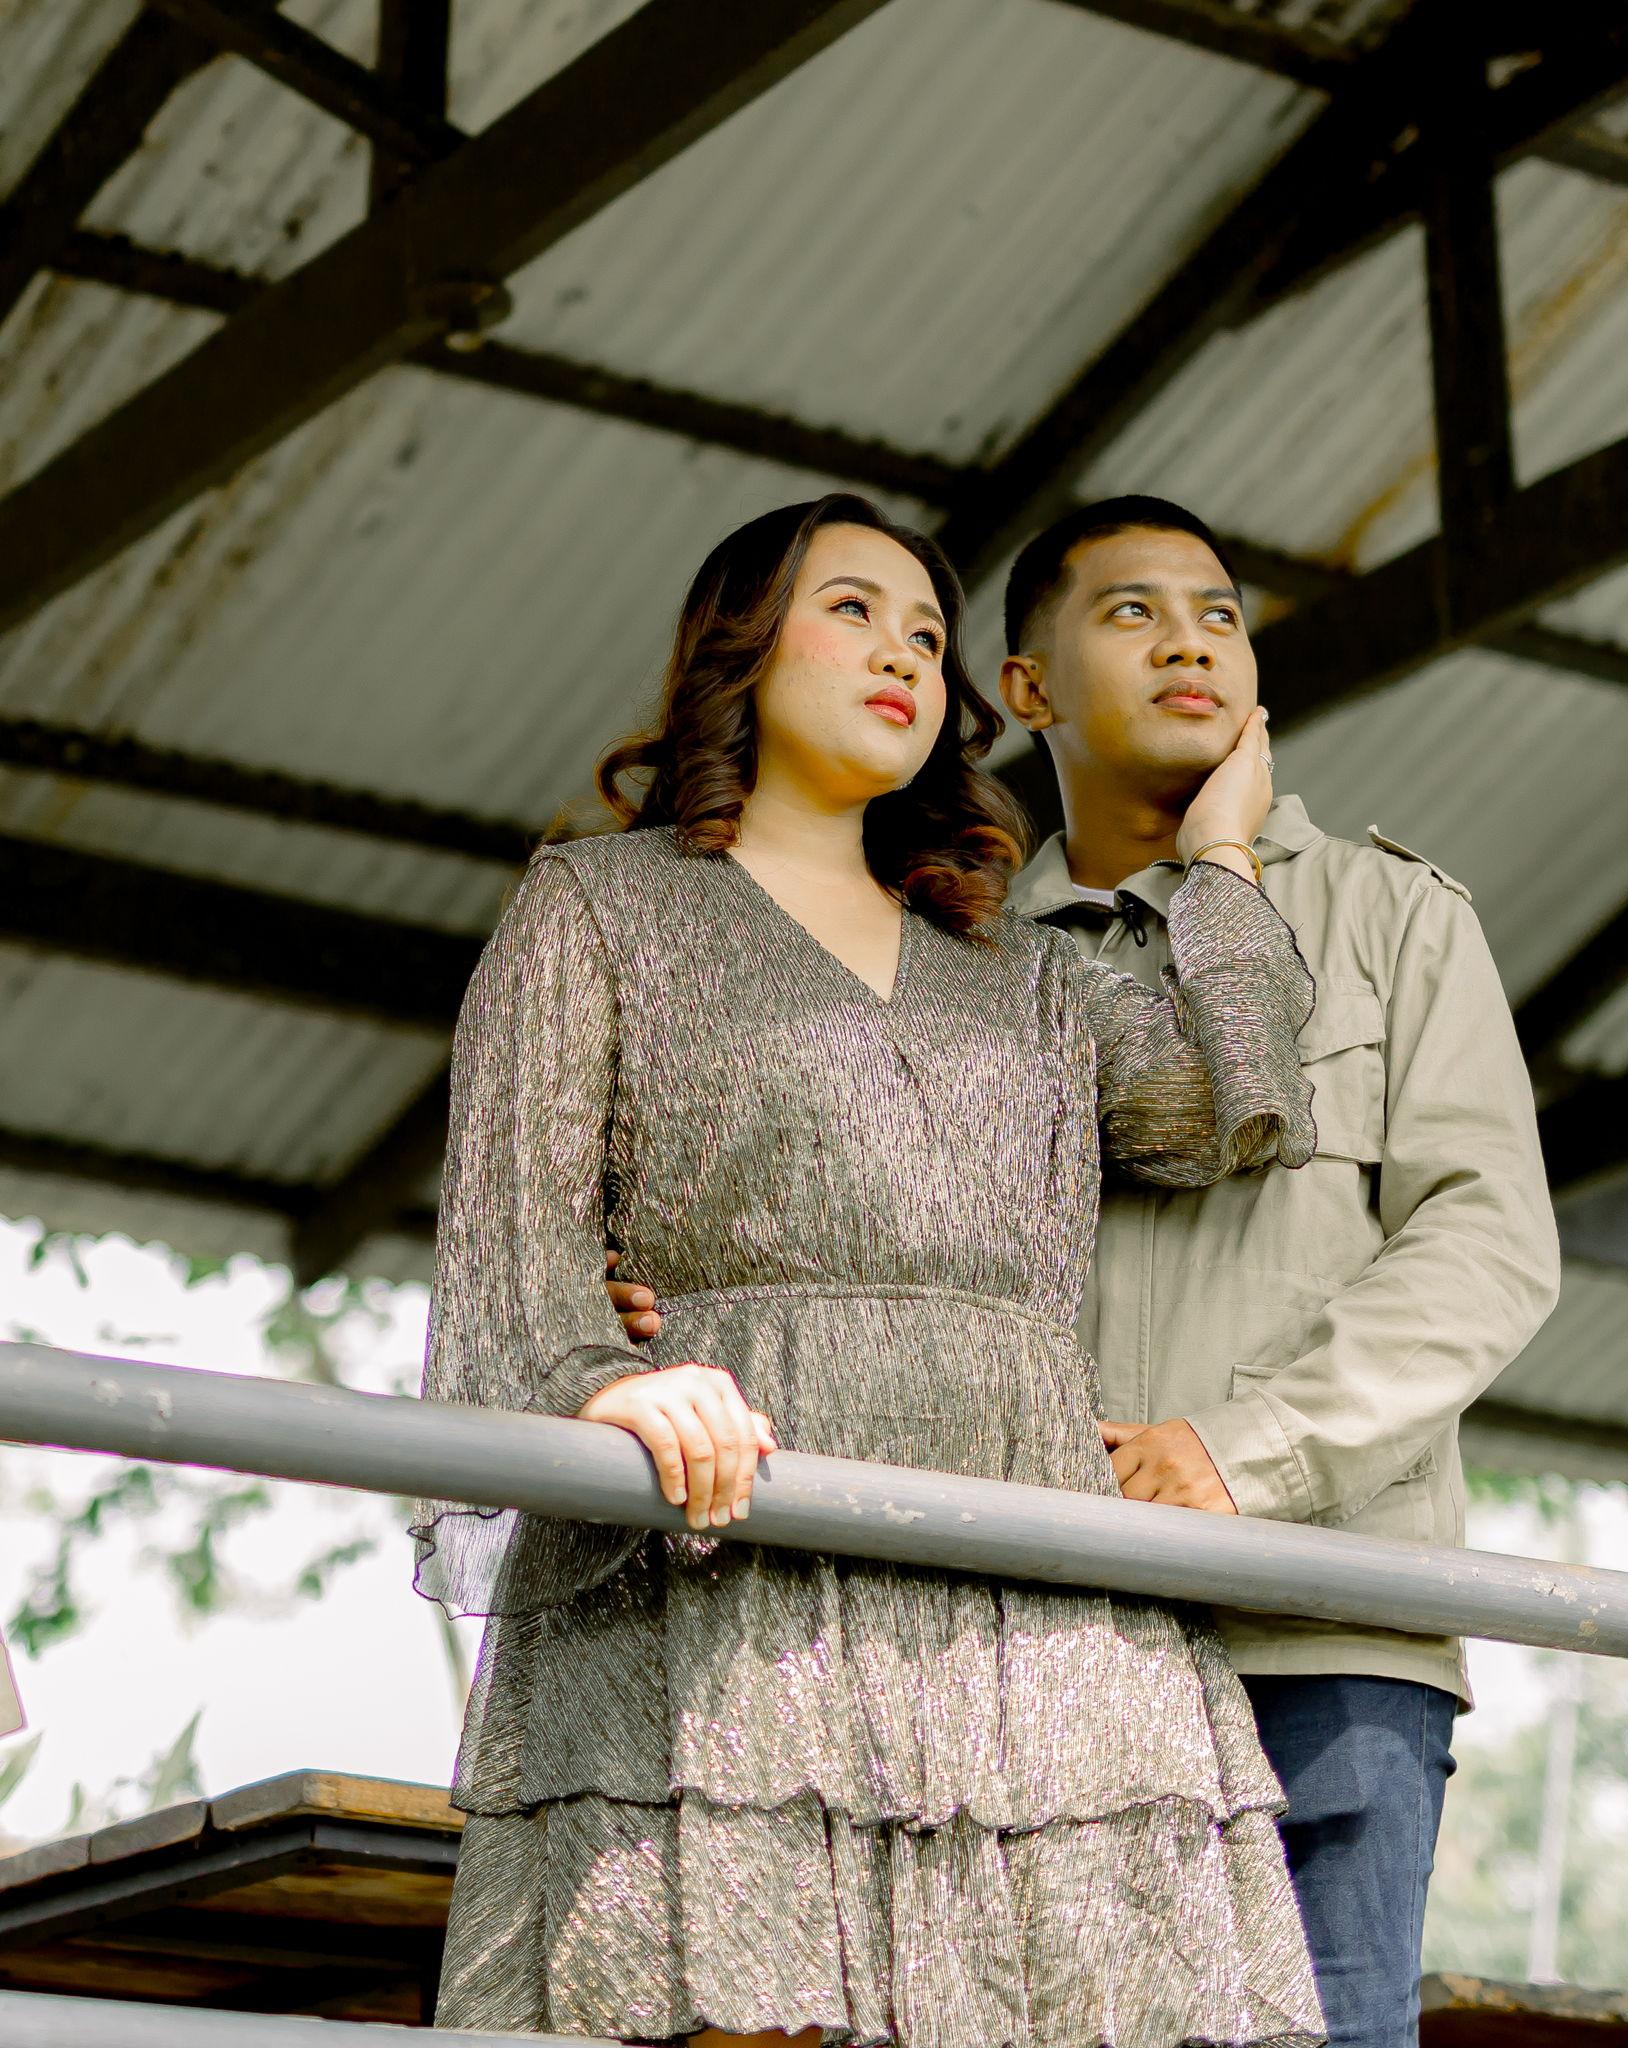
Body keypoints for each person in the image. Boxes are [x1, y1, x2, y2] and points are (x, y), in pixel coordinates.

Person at [612, 496, 1560, 2046]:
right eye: (1133, 613)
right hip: (1021, 1643)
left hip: (1315, 1633)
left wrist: (1241, 1456)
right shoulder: (952, 946)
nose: (1191, 641)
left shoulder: (1391, 917)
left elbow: (1488, 1248)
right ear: (1026, 688)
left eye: (1219, 616)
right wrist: (648, 1308)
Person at [415, 492, 1326, 2048]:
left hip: (1028, 1576)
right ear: (742, 647)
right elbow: (513, 1230)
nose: (905, 653)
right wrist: (609, 1383)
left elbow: (1230, 1104)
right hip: (732, 1557)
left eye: (926, 633)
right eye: (853, 611)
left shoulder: (1027, 970)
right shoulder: (600, 903)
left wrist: (1222, 854)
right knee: (728, 2008)